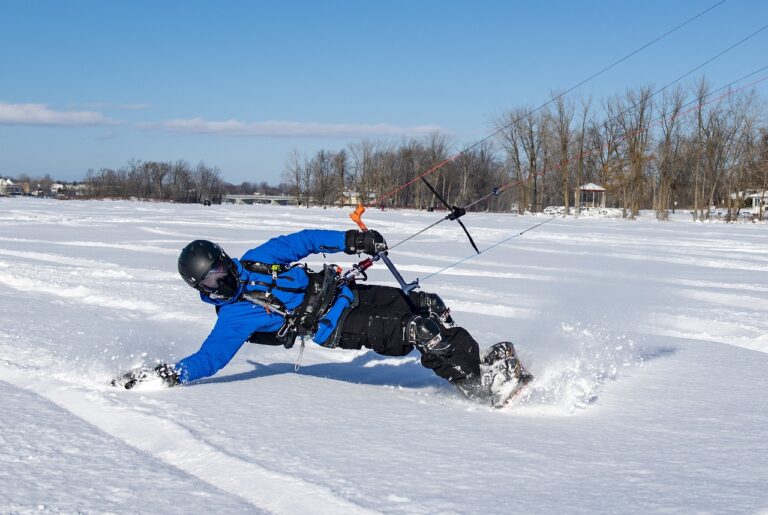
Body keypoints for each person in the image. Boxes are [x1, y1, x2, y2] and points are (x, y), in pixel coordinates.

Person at [113, 229, 532, 407]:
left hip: (348, 292)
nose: (218, 285)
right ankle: (478, 386)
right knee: (416, 331)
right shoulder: (233, 317)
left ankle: (476, 364)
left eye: (219, 273)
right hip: (336, 328)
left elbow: (305, 240)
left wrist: (351, 240)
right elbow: (209, 359)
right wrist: (166, 374)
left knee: (427, 306)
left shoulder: (260, 259)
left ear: (226, 260)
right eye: (208, 285)